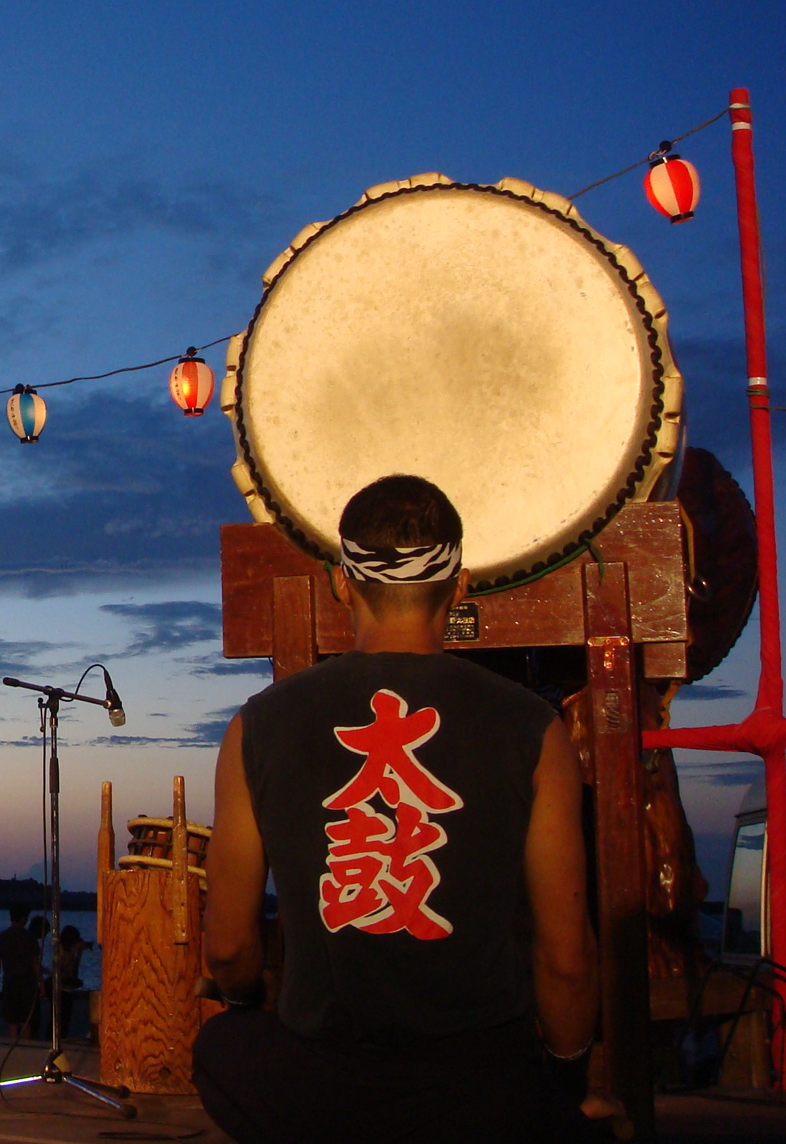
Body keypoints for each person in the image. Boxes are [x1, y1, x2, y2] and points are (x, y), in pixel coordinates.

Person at [195, 475, 599, 1144]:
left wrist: (246, 1003)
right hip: (481, 1091)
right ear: (461, 585)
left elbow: (231, 944)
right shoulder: (535, 729)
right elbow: (567, 959)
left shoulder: (257, 726)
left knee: (222, 1044)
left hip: (320, 1090)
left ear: (341, 584)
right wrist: (564, 1085)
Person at [0, 904, 41, 1040]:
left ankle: (13, 1042)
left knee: (12, 1019)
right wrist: (41, 984)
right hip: (28, 982)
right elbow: (35, 963)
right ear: (23, 919)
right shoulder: (30, 938)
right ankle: (26, 1045)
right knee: (26, 1019)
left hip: (10, 981)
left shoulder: (1, 938)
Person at [54, 923, 92, 1038]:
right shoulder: (62, 952)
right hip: (61, 987)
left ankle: (61, 1036)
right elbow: (61, 970)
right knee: (61, 1017)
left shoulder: (69, 951)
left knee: (65, 1017)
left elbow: (73, 971)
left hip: (66, 986)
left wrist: (78, 953)